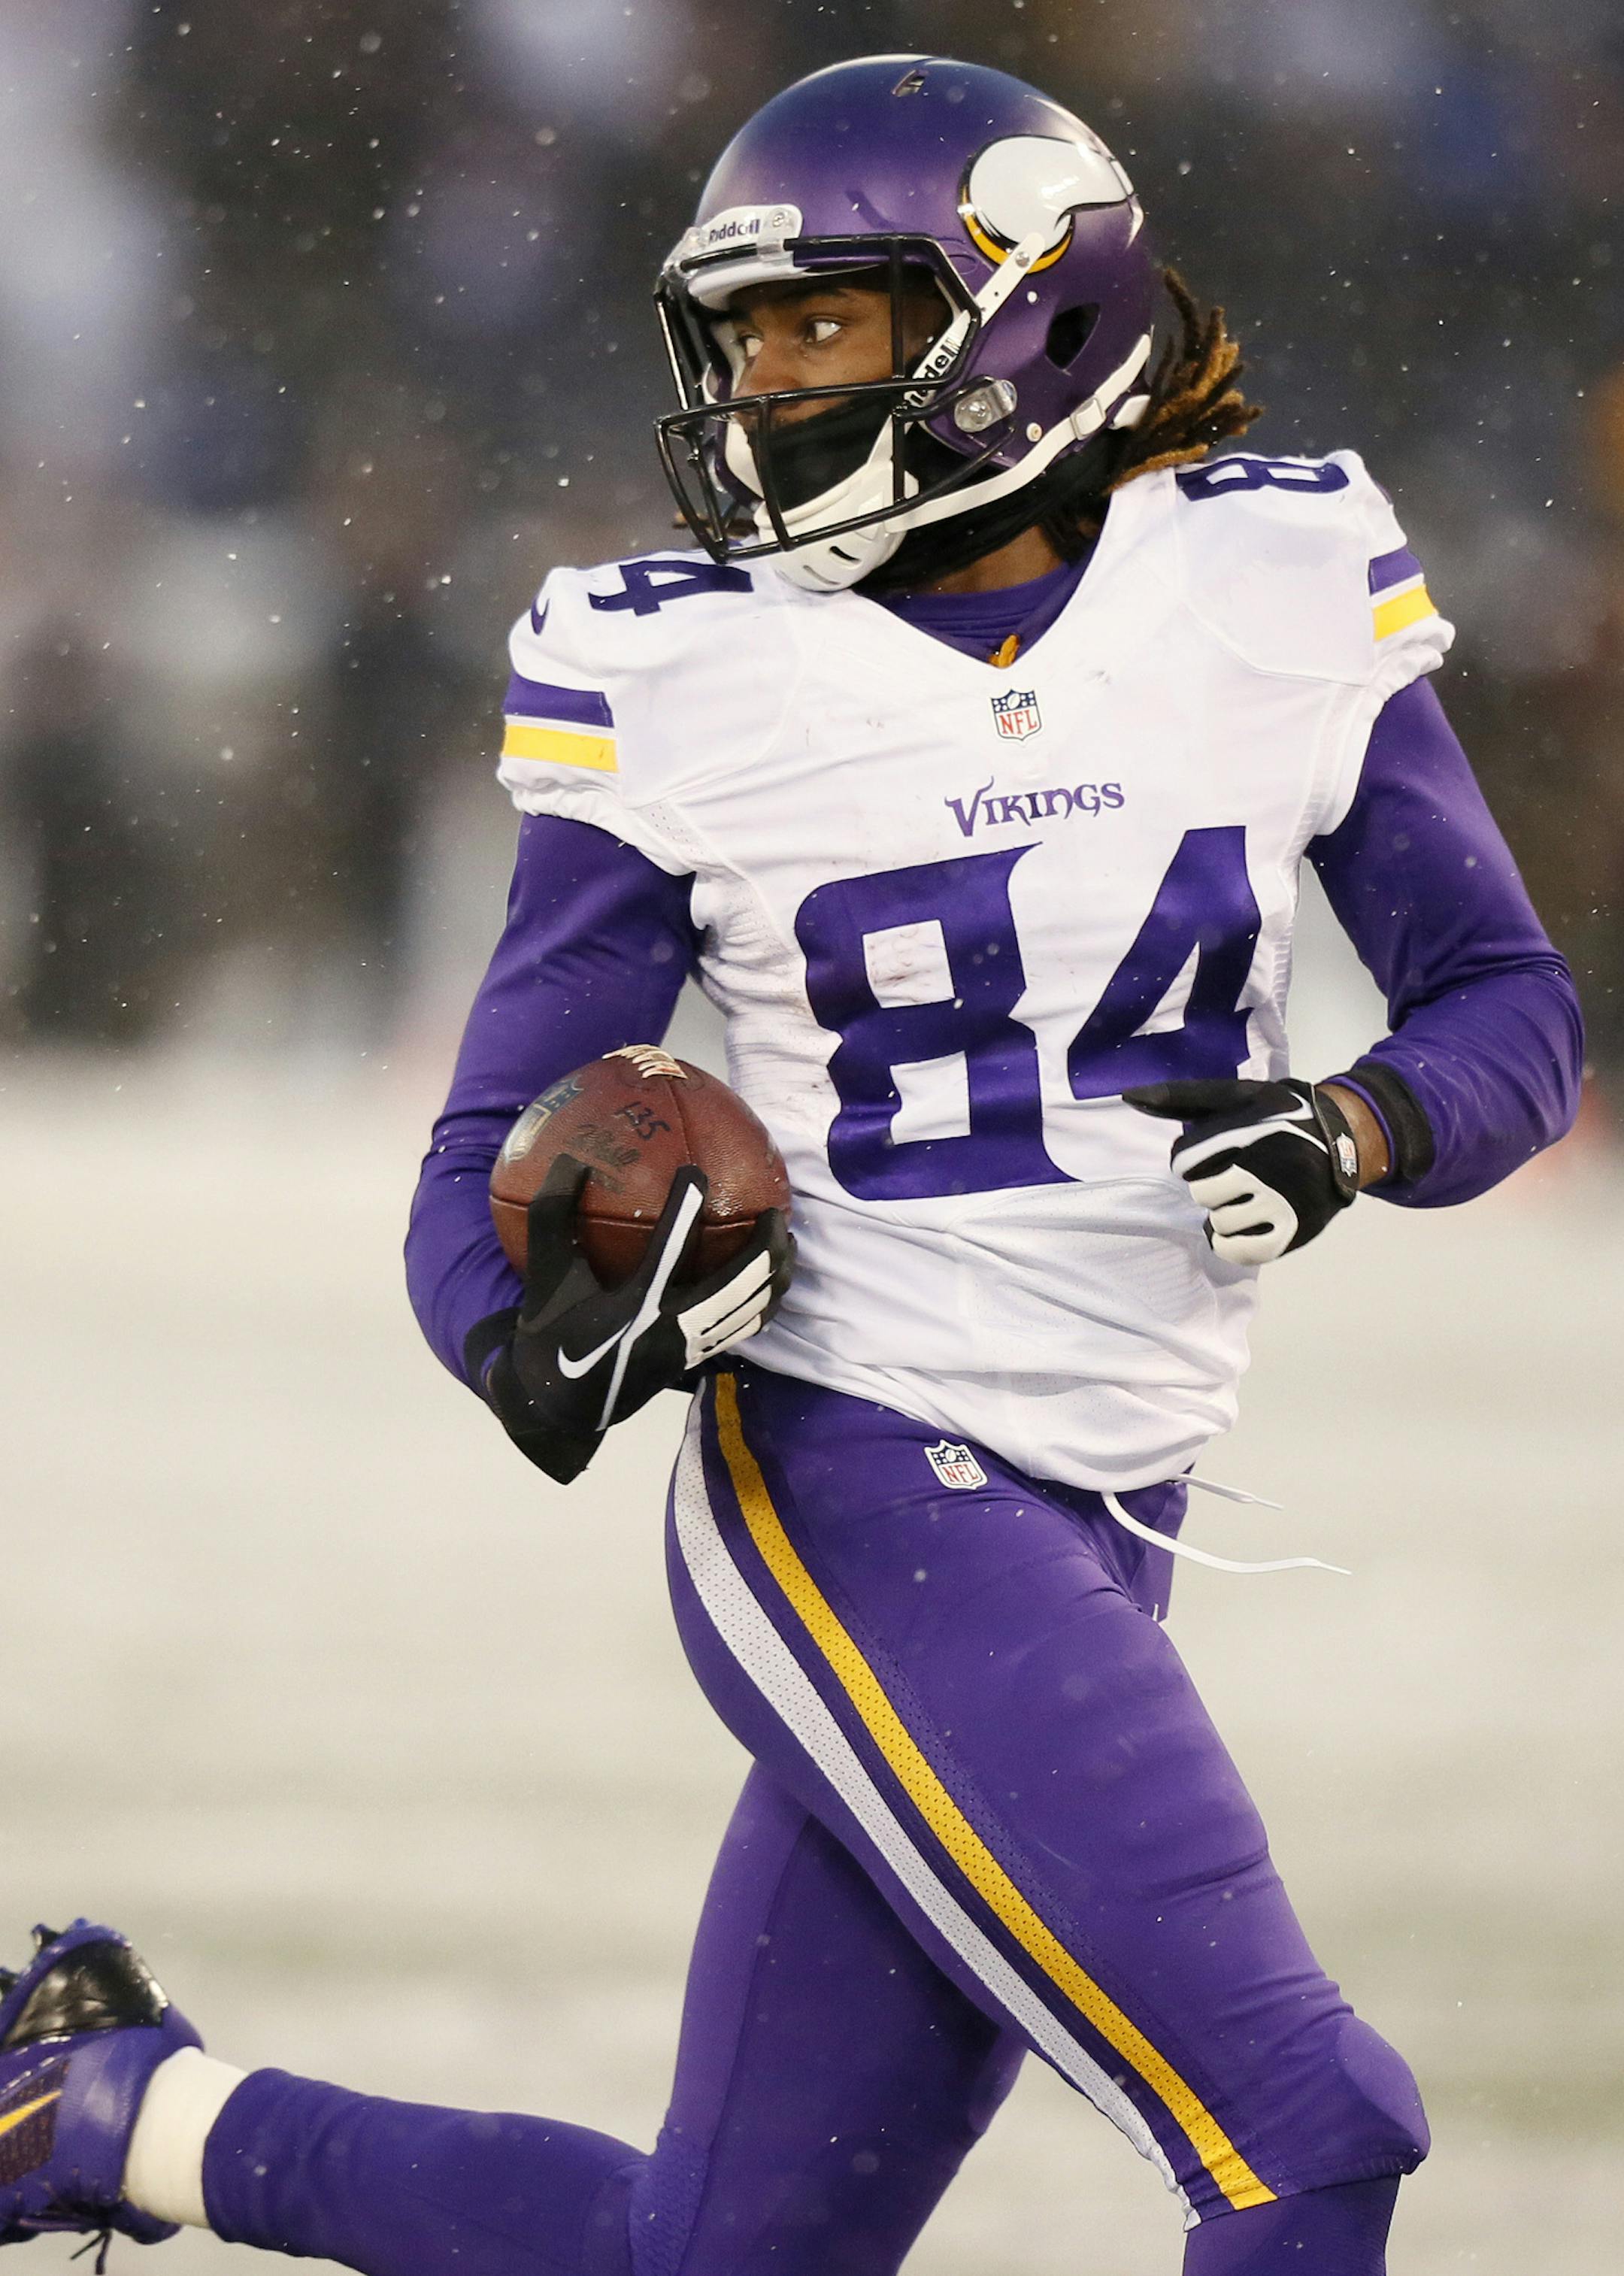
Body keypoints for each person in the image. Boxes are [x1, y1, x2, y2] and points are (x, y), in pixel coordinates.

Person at [0, 53, 1580, 2276]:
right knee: (1306, 2125)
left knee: (720, 2261)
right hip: (859, 1471)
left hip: (1113, 1485)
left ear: (1014, 317)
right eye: (735, 338)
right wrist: (531, 1336)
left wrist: (1358, 1120)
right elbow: (485, 1149)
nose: (757, 388)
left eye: (815, 327)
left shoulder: (1275, 571)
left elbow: (1511, 1010)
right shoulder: (685, 669)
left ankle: (101, 2106)